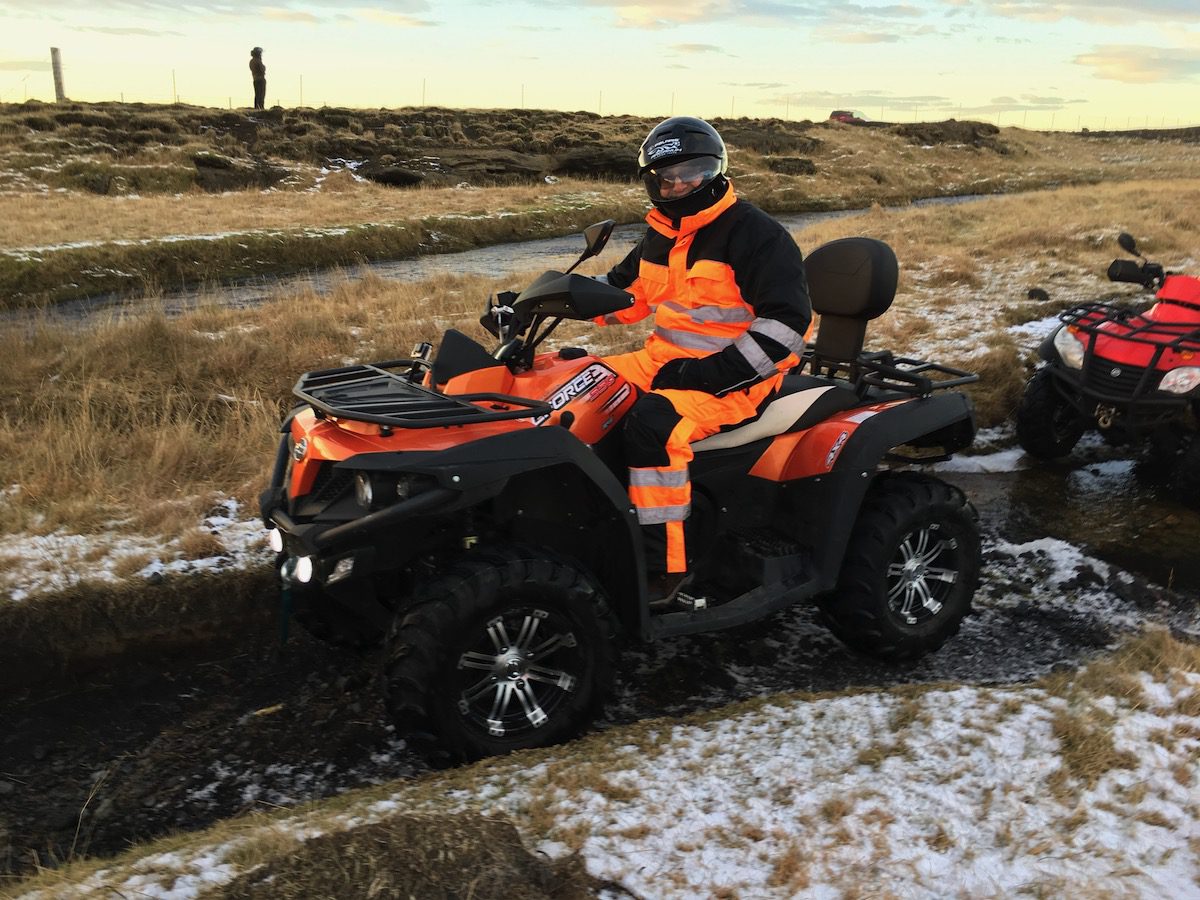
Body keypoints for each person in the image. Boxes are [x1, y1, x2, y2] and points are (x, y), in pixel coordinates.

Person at [596, 116, 812, 599]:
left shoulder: (757, 235)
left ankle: (665, 565)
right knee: (578, 381)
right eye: (666, 178)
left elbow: (785, 331)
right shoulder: (660, 235)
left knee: (652, 424)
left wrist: (707, 375)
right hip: (665, 361)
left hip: (739, 379)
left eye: (691, 172)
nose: (679, 185)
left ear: (715, 169)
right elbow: (621, 296)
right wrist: (543, 299)